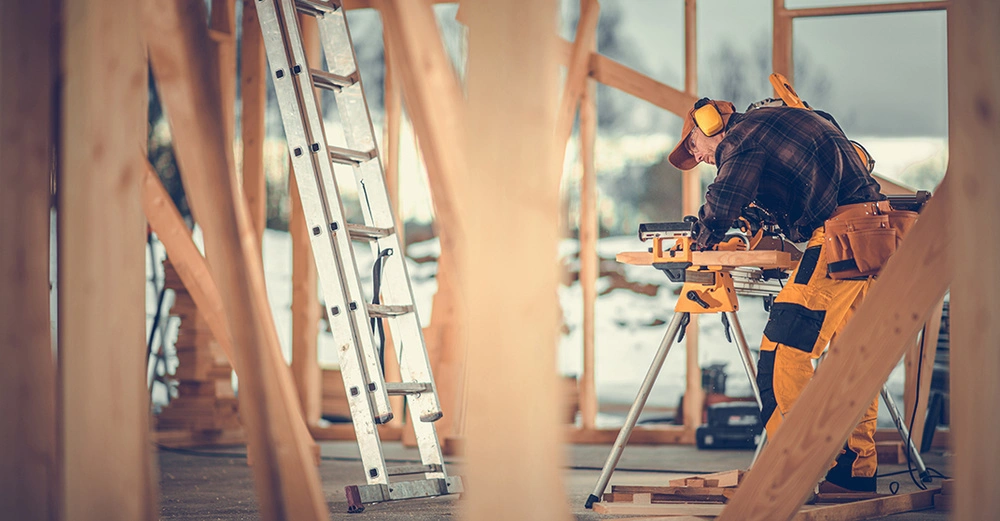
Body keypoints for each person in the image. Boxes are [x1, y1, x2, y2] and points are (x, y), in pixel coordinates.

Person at [667, 97, 887, 493]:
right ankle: (854, 469)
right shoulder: (776, 126)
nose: (696, 155)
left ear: (712, 123)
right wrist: (749, 222)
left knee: (782, 351)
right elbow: (769, 197)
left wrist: (697, 240)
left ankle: (804, 464)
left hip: (840, 237)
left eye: (692, 144)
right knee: (850, 352)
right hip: (872, 233)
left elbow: (724, 199)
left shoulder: (743, 136)